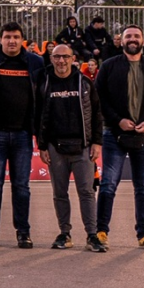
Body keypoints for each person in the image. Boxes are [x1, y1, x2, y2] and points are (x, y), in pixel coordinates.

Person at [93, 24, 144, 251]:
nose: (133, 39)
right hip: (113, 134)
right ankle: (100, 232)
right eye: (128, 36)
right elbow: (99, 98)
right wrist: (118, 120)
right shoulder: (108, 66)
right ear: (122, 41)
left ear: (143, 41)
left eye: (137, 36)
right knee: (108, 184)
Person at [0, 22, 44, 247]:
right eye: (7, 37)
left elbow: (42, 99)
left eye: (15, 37)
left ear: (22, 39)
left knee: (21, 186)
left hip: (23, 134)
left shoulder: (36, 62)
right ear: (0, 39)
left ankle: (23, 232)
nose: (11, 41)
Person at [36, 43, 102, 251]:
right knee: (59, 193)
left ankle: (92, 234)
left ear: (74, 59)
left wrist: (97, 142)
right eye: (57, 57)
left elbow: (97, 114)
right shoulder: (45, 82)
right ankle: (64, 233)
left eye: (65, 57)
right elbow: (38, 116)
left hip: (82, 147)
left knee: (87, 192)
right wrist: (42, 145)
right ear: (52, 59)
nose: (61, 61)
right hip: (55, 147)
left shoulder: (84, 83)